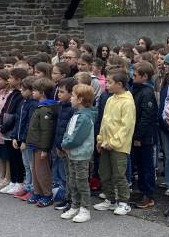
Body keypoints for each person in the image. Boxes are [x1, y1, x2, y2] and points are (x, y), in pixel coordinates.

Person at [93, 70, 136, 215]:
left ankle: (124, 202)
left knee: (119, 174)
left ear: (119, 84)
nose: (106, 84)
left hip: (119, 146)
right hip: (105, 144)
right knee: (104, 173)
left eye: (110, 82)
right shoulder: (110, 99)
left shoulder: (127, 102)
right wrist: (100, 139)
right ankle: (110, 200)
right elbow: (105, 122)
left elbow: (126, 126)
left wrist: (114, 142)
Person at [59, 83, 97, 223]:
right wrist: (65, 144)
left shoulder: (85, 117)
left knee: (81, 182)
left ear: (80, 99)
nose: (71, 98)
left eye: (73, 96)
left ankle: (85, 209)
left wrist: (65, 144)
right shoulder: (77, 114)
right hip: (72, 153)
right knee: (73, 181)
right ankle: (75, 205)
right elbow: (68, 132)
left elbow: (77, 137)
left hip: (81, 155)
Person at [24, 77, 57, 207]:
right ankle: (37, 192)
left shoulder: (45, 109)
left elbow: (46, 131)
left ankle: (47, 194)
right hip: (35, 145)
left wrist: (44, 149)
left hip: (41, 146)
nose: (33, 92)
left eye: (35, 90)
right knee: (35, 170)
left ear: (42, 92)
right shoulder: (40, 107)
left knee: (42, 171)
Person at [131, 60, 158, 209]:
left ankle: (149, 195)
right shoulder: (137, 90)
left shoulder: (147, 93)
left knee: (146, 166)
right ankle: (142, 192)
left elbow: (146, 117)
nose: (132, 77)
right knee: (140, 165)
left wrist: (138, 137)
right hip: (137, 135)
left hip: (144, 137)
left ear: (145, 76)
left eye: (135, 75)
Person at [51, 78, 75, 209]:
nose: (59, 94)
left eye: (62, 92)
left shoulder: (72, 109)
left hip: (69, 147)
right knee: (65, 173)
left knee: (71, 175)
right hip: (60, 145)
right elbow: (58, 128)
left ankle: (72, 199)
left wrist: (65, 145)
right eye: (58, 91)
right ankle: (67, 197)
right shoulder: (60, 106)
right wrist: (57, 145)